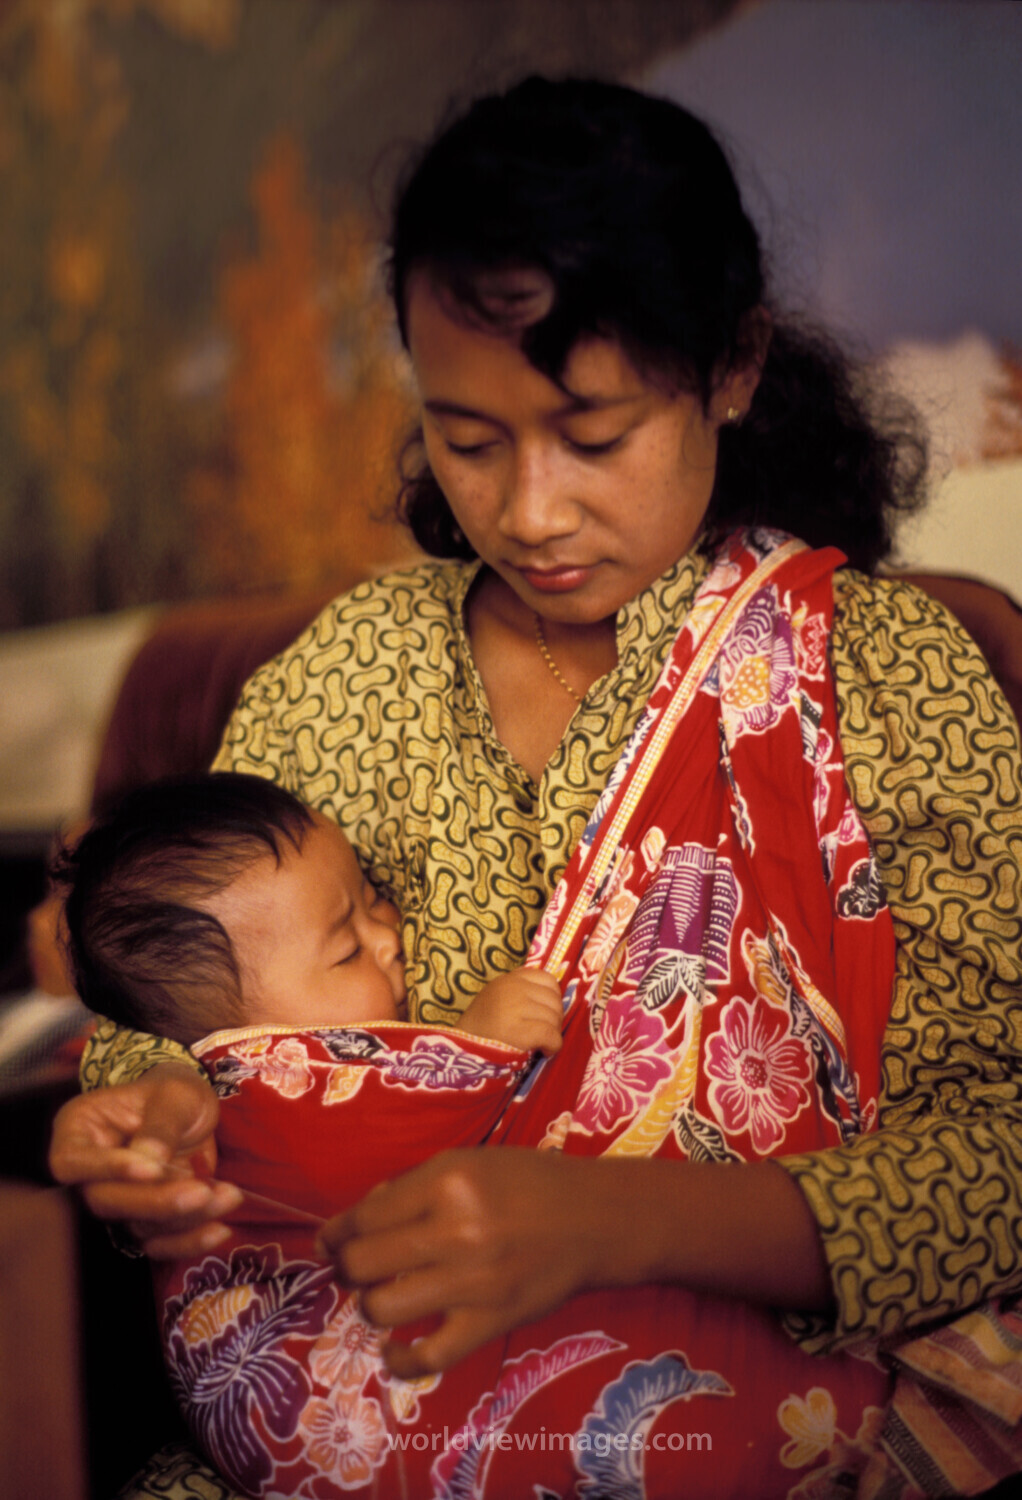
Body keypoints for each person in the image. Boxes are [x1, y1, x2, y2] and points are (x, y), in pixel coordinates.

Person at [49, 76, 1022, 1499]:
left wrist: (615, 1222)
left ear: (732, 367)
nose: (530, 511)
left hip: (753, 1425)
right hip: (360, 1423)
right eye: (467, 436)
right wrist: (141, 1124)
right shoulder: (351, 672)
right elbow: (184, 1001)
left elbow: (1001, 1159)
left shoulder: (878, 678)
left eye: (594, 432)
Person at [53, 770, 563, 1054]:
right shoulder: (283, 1096)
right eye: (346, 951)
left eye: (370, 897)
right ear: (245, 1041)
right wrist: (475, 1047)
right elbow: (406, 1154)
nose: (390, 938)